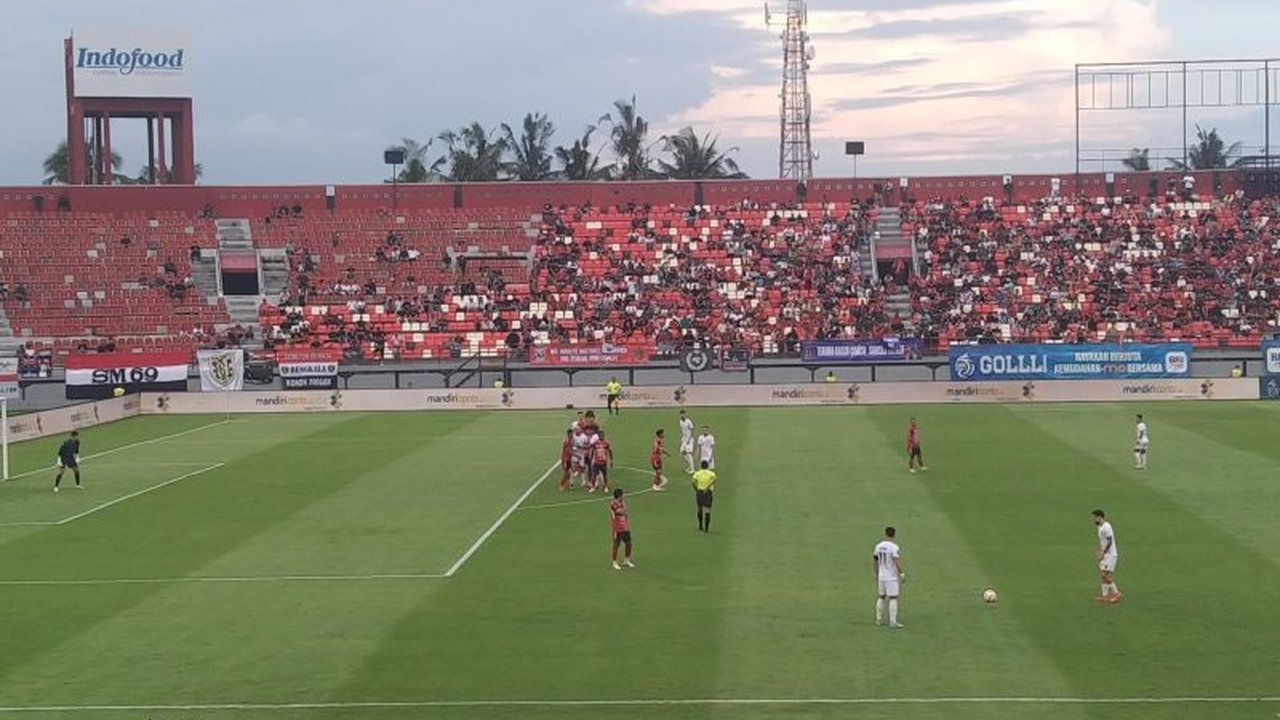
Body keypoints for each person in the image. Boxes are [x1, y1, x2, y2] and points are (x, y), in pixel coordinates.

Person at [873, 527, 905, 628]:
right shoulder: (894, 547)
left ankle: (878, 619)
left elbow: (875, 560)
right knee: (893, 597)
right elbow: (896, 561)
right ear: (894, 535)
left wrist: (877, 573)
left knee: (881, 596)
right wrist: (902, 573)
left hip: (881, 576)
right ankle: (892, 622)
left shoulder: (878, 546)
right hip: (891, 577)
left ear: (885, 534)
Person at [1092, 509, 1122, 603]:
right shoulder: (1100, 527)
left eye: (1094, 517)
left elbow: (1110, 541)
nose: (1093, 519)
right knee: (1103, 575)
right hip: (1106, 554)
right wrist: (1101, 550)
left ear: (1099, 517)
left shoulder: (1106, 527)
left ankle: (1116, 593)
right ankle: (1104, 596)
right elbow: (1104, 541)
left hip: (1110, 555)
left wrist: (1103, 552)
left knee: (1104, 575)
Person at [609, 488, 635, 570]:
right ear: (619, 496)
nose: (623, 496)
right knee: (616, 545)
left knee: (629, 543)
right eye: (622, 495)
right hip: (617, 528)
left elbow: (625, 511)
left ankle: (627, 560)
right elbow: (620, 511)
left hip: (625, 527)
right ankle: (614, 562)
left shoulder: (622, 502)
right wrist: (623, 511)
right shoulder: (613, 503)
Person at [692, 460, 716, 532]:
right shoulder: (711, 473)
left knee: (700, 508)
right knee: (707, 509)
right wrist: (708, 486)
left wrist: (696, 488)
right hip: (708, 492)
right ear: (707, 466)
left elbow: (693, 481)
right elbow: (714, 479)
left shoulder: (697, 473)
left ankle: (700, 525)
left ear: (701, 466)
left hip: (699, 491)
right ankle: (706, 528)